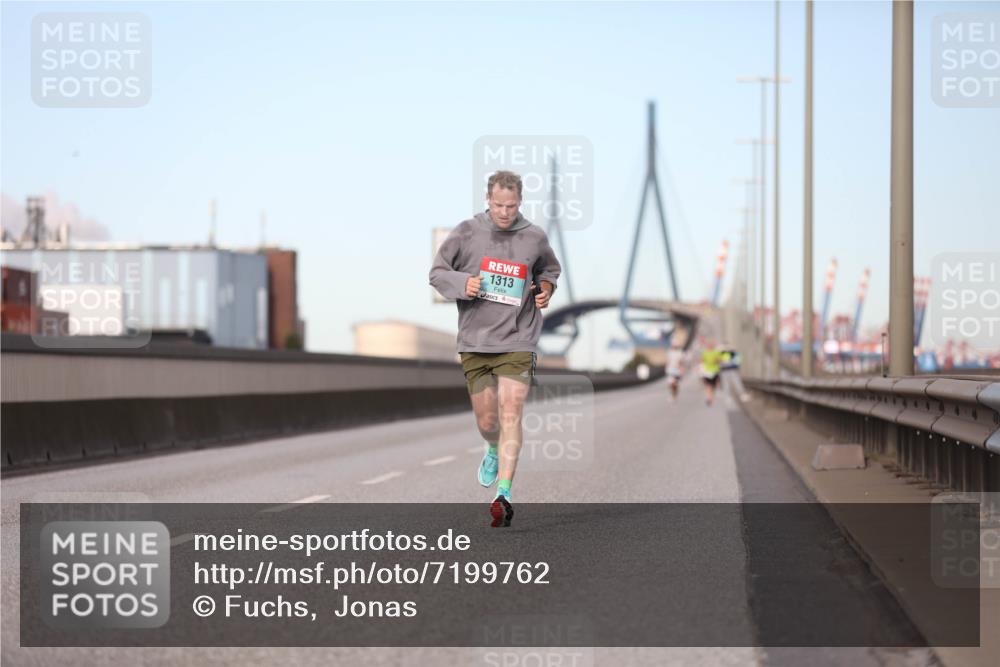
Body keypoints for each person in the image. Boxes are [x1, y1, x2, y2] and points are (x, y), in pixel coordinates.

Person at [429, 170, 561, 527]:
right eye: (499, 205)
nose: (505, 212)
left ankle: (503, 492)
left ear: (520, 202)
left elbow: (549, 270)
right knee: (488, 421)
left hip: (518, 337)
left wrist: (546, 288)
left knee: (511, 410)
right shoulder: (467, 232)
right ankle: (491, 447)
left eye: (512, 206)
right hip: (475, 340)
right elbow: (437, 273)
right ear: (488, 199)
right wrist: (463, 282)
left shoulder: (534, 236)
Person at [699, 339, 724, 406]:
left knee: (708, 386)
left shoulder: (705, 353)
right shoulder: (716, 352)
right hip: (713, 371)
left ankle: (709, 397)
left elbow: (701, 361)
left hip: (708, 372)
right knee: (711, 386)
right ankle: (710, 398)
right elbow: (719, 360)